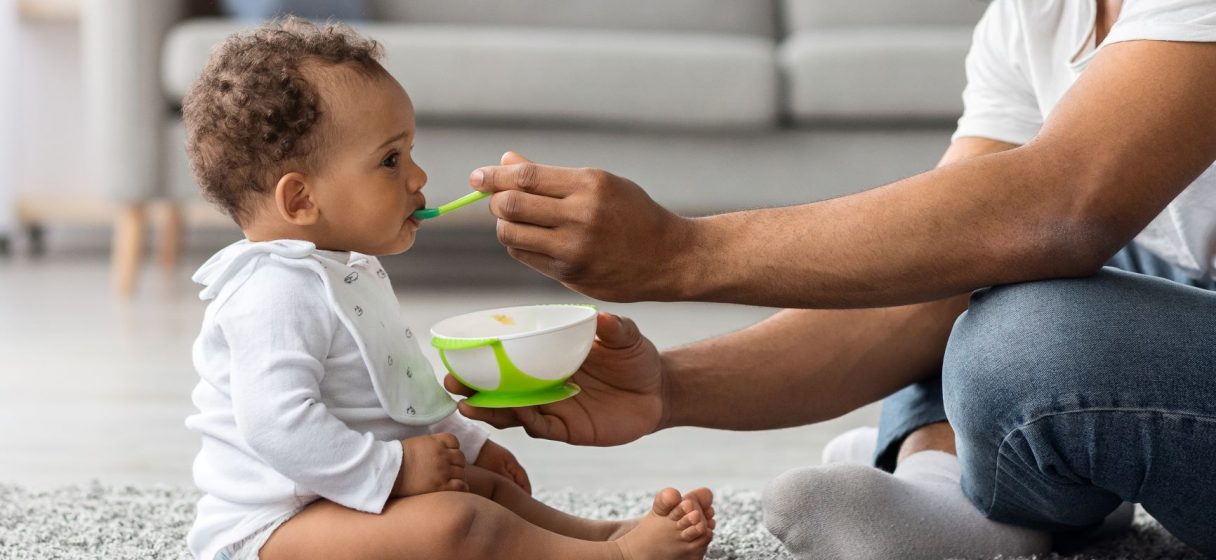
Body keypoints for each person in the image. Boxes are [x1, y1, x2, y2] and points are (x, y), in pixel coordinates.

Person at [445, 0, 1216, 557]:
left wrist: (678, 253)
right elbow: (945, 263)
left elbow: (1057, 209)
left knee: (1029, 342)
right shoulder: (1032, 17)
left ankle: (986, 499)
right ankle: (967, 486)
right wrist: (669, 389)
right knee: (955, 252)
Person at [181, 18, 714, 560]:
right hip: (274, 530)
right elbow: (278, 426)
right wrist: (397, 469)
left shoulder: (343, 271)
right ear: (300, 201)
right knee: (454, 522)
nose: (418, 178)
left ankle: (598, 536)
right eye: (391, 161)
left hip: (336, 503)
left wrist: (470, 446)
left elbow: (401, 388)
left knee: (479, 489)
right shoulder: (272, 292)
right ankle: (616, 558)